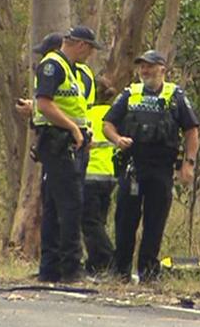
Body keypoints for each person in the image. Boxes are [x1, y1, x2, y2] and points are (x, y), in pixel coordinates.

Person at [103, 49, 200, 282]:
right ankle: (120, 271)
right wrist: (117, 139)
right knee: (125, 220)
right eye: (142, 66)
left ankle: (148, 272)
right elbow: (108, 124)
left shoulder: (175, 95)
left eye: (149, 66)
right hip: (133, 166)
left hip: (161, 168)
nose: (144, 70)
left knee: (154, 223)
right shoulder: (130, 93)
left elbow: (191, 131)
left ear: (162, 69)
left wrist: (188, 164)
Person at [33, 26, 102, 283]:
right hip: (58, 142)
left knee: (53, 205)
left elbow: (74, 106)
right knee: (71, 205)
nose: (91, 55)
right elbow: (44, 103)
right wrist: (73, 127)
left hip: (71, 142)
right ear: (82, 45)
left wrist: (83, 131)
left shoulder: (73, 69)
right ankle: (71, 268)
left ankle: (50, 268)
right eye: (91, 49)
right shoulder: (53, 65)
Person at [82, 86, 117, 274]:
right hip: (110, 175)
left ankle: (108, 258)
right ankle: (95, 262)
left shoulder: (86, 114)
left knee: (89, 221)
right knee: (99, 221)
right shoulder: (114, 115)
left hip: (90, 174)